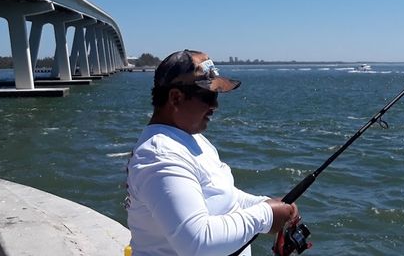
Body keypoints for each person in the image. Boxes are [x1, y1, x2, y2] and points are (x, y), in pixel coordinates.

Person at [126, 49, 299, 256]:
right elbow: (197, 242)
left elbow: (224, 195)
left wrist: (265, 203)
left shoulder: (192, 139)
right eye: (207, 95)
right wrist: (266, 216)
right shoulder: (160, 156)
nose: (215, 105)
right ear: (175, 98)